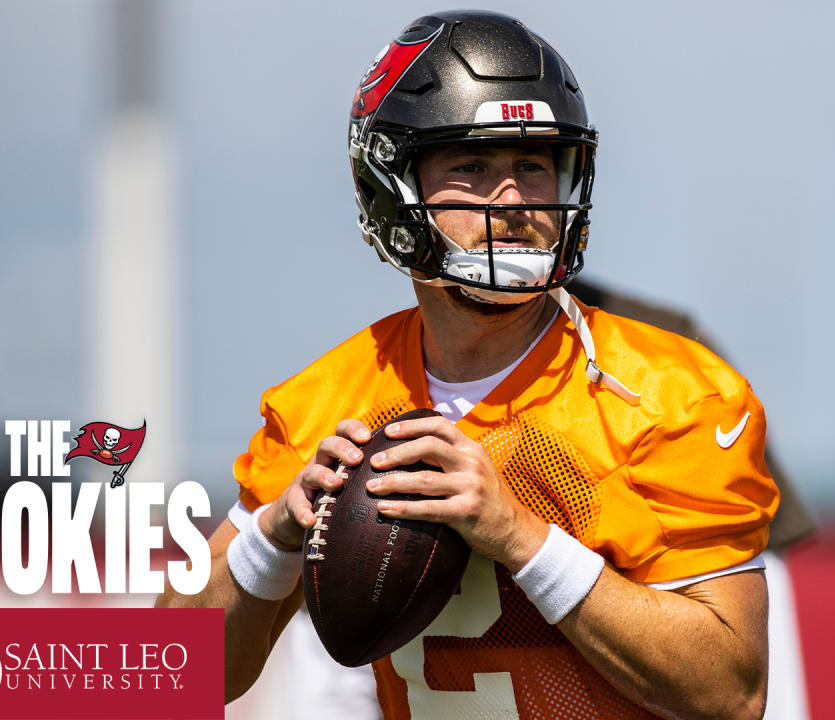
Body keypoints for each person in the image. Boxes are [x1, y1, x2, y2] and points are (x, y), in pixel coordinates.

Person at [159, 10, 779, 719]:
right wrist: (272, 538)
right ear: (390, 184)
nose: (513, 200)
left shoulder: (671, 398)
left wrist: (518, 535)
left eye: (533, 164)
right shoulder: (327, 403)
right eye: (473, 167)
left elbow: (731, 694)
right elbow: (178, 672)